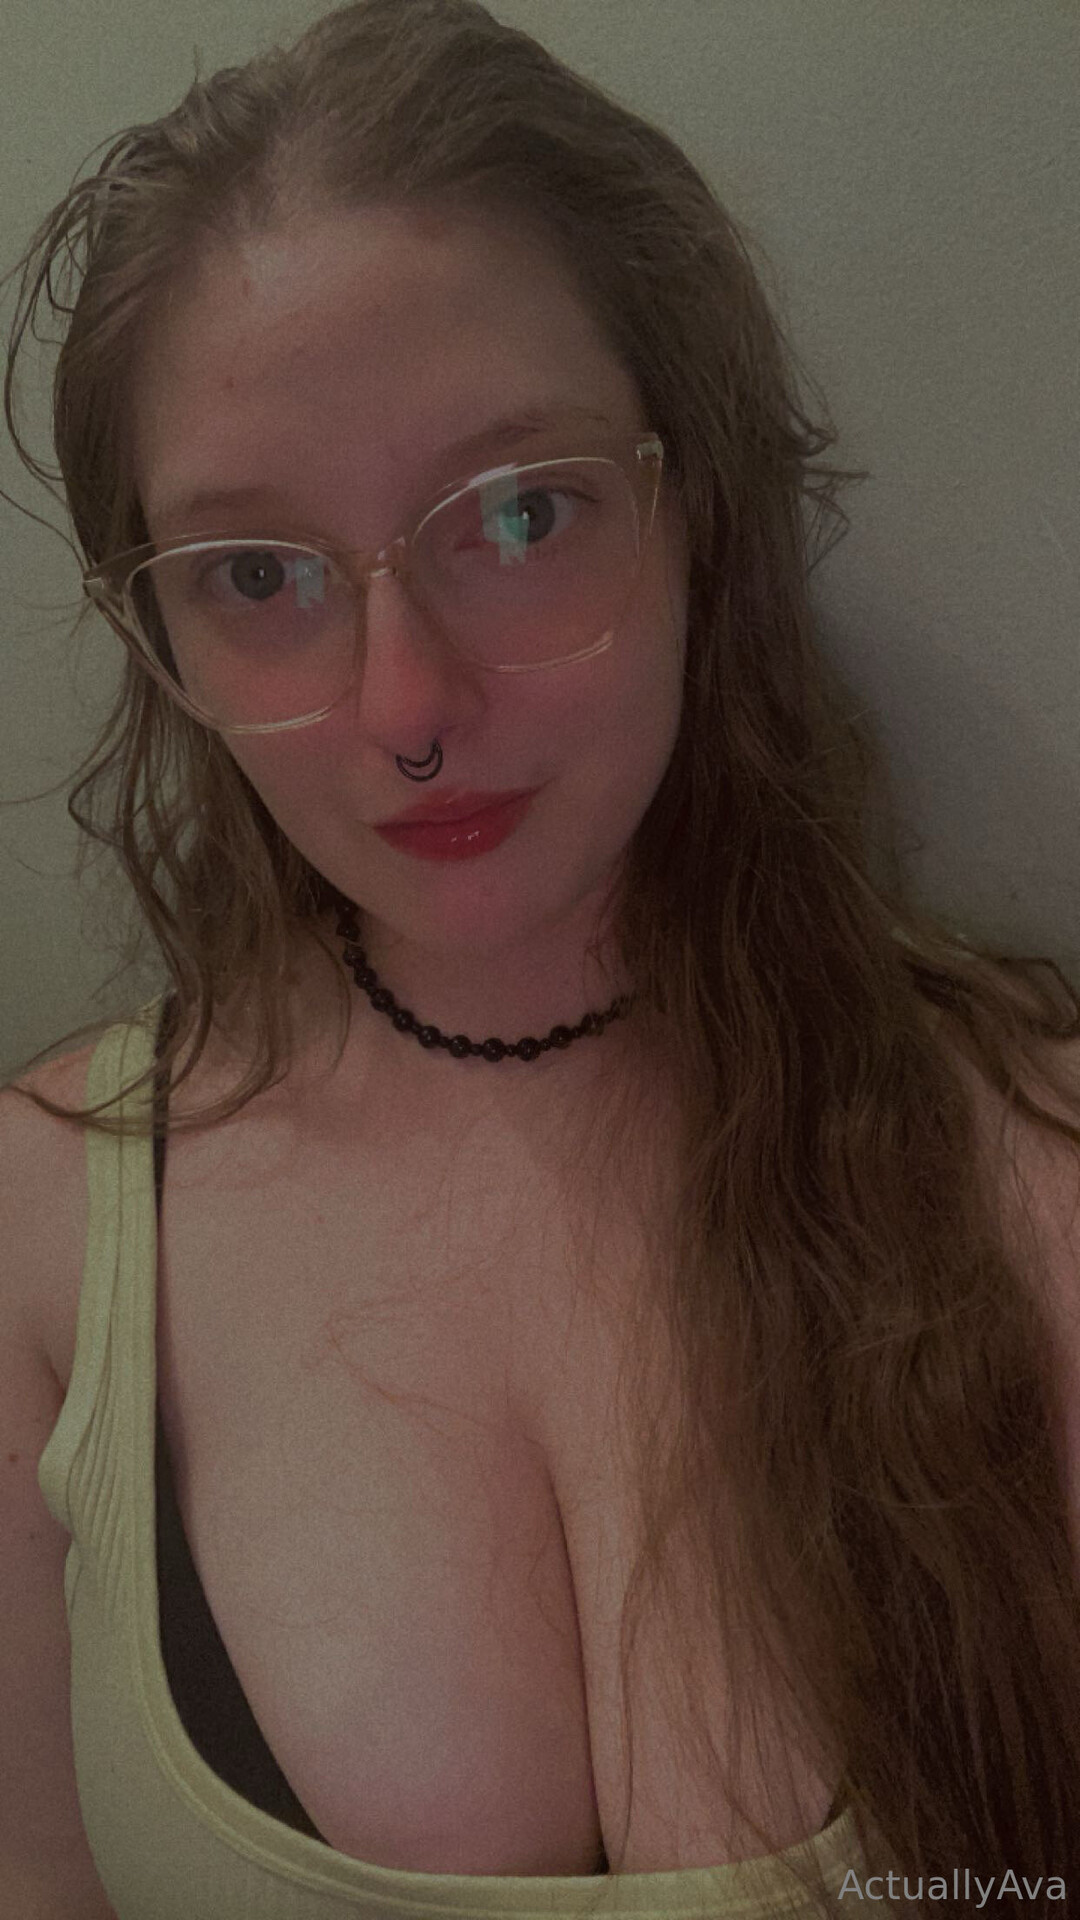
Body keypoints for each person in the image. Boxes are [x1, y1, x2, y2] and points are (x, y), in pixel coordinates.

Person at [2, 2, 1079, 1916]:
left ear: (696, 506)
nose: (406, 709)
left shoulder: (1032, 1169)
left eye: (519, 515)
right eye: (256, 575)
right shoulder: (44, 1232)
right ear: (159, 635)